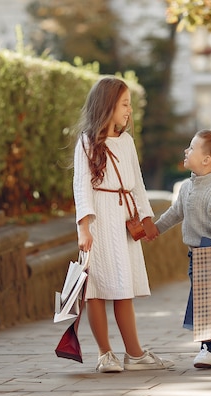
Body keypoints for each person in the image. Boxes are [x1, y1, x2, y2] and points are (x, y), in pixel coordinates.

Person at [73, 76, 173, 373]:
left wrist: (146, 217)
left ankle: (135, 354)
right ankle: (105, 354)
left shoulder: (127, 142)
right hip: (99, 220)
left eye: (130, 105)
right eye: (125, 104)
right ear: (107, 106)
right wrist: (83, 227)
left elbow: (138, 184)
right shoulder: (87, 142)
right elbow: (81, 186)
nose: (129, 111)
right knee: (97, 289)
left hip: (124, 220)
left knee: (123, 287)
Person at [155, 129, 211, 368]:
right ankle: (209, 348)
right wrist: (155, 229)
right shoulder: (186, 187)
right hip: (197, 256)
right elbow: (175, 213)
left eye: (192, 147)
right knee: (202, 302)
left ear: (206, 160)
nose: (187, 150)